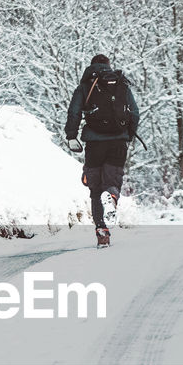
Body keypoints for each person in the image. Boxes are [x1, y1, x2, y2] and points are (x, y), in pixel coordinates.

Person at [65, 53, 139, 246]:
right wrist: (128, 134)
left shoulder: (84, 87)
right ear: (108, 66)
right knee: (112, 179)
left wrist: (71, 136)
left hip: (94, 143)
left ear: (92, 67)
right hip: (118, 142)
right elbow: (134, 112)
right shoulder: (121, 84)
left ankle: (102, 232)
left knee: (95, 189)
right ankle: (112, 195)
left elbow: (74, 112)